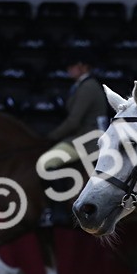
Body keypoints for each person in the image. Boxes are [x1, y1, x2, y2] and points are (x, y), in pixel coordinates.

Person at [39, 52, 110, 226]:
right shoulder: (83, 85)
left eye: (73, 65)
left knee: (46, 163)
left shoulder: (88, 87)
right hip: (84, 136)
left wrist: (50, 137)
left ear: (83, 67)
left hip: (88, 140)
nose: (69, 69)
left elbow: (73, 121)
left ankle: (57, 212)